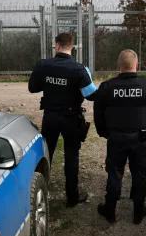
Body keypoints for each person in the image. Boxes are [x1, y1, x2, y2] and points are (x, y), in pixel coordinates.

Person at [94, 49, 146, 224]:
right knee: (140, 174)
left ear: (118, 66)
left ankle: (110, 211)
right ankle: (138, 212)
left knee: (114, 173)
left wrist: (105, 133)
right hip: (140, 139)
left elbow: (98, 115)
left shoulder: (106, 87)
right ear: (137, 65)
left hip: (116, 138)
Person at [28, 32, 97, 207]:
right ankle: (72, 197)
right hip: (71, 117)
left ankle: (40, 194)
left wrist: (50, 83)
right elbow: (91, 96)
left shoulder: (44, 65)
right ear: (72, 47)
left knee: (46, 154)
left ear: (57, 46)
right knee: (72, 156)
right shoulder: (80, 69)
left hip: (50, 116)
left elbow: (32, 87)